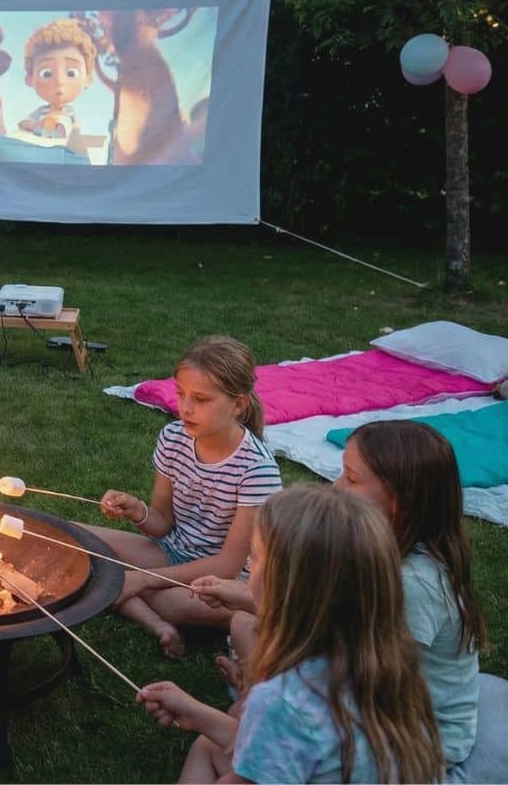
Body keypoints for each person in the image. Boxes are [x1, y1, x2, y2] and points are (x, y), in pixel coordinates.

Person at [198, 421, 487, 778]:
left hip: (412, 731)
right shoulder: (379, 555)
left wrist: (260, 694)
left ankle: (247, 695)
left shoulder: (414, 587)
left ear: (397, 502)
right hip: (369, 697)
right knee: (244, 623)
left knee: (219, 736)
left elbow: (344, 658)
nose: (335, 486)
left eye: (350, 478)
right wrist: (244, 599)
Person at [139, 488, 443, 784]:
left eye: (255, 558)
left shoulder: (282, 700)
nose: (247, 566)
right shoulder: (388, 665)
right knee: (211, 743)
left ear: (287, 587)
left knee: (209, 751)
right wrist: (198, 714)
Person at [92, 336, 281, 657]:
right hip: (171, 553)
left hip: (218, 581)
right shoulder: (172, 438)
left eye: (201, 399)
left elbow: (228, 563)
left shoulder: (257, 470)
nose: (185, 408)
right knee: (73, 540)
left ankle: (220, 616)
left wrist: (145, 580)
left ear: (238, 404)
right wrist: (137, 510)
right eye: (181, 394)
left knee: (114, 579)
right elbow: (162, 523)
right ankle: (159, 625)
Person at [17, 18, 96, 142]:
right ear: (30, 79)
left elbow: (73, 131)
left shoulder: (69, 114)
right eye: (46, 73)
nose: (59, 81)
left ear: (88, 79)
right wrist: (35, 126)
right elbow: (24, 123)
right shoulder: (41, 112)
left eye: (71, 73)